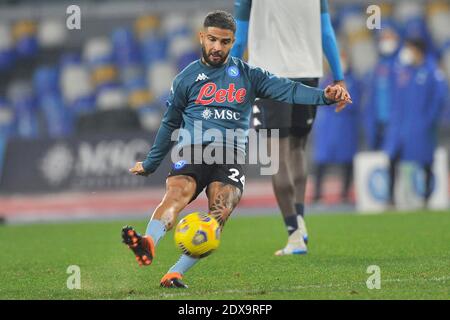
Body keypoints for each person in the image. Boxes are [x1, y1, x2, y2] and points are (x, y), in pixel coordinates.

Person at [122, 11, 351, 288]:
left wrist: (324, 97)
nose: (217, 47)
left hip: (231, 154)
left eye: (225, 42)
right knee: (177, 194)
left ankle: (175, 273)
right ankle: (148, 242)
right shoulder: (186, 78)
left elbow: (289, 90)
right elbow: (169, 123)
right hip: (194, 150)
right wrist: (150, 163)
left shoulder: (249, 75)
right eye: (212, 40)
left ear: (233, 43)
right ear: (202, 37)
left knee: (221, 208)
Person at [231, 0, 346, 255]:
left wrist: (228, 78)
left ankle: (293, 233)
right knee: (298, 148)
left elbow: (238, 40)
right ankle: (300, 221)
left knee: (277, 155)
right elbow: (326, 32)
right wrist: (338, 77)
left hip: (269, 75)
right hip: (308, 73)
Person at [384, 38, 448, 208]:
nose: (406, 53)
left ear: (417, 51)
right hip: (400, 127)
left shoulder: (433, 72)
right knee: (392, 159)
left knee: (425, 161)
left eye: (409, 49)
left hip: (421, 127)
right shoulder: (404, 72)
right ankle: (390, 198)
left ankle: (426, 198)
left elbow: (440, 99)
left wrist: (428, 120)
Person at [313, 51, 361, 204]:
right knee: (322, 161)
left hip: (346, 126)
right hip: (328, 125)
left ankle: (345, 193)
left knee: (347, 160)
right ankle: (317, 194)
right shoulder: (326, 80)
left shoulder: (353, 80)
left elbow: (356, 102)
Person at [364, 21, 401, 150]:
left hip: (399, 124)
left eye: (389, 37)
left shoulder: (403, 66)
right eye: (383, 38)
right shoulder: (376, 68)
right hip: (379, 125)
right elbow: (371, 100)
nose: (386, 41)